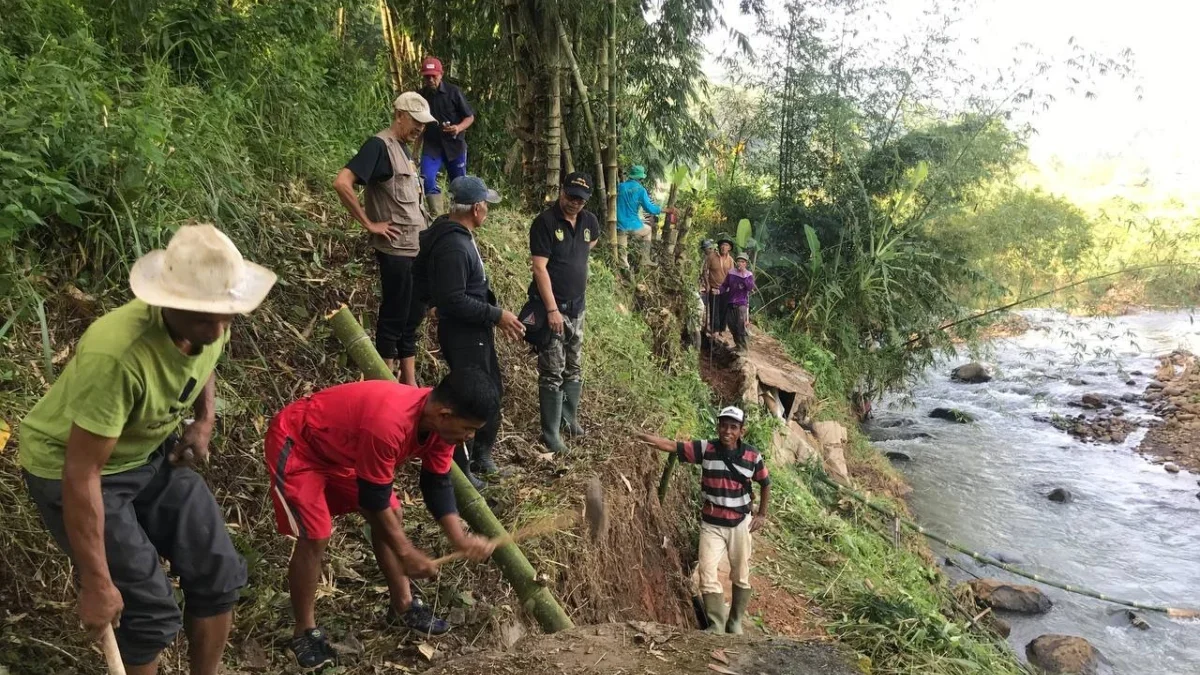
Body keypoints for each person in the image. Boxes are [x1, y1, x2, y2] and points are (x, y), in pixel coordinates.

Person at [20, 224, 277, 674]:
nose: (218, 330)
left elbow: (205, 359)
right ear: (167, 302)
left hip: (148, 455)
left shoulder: (212, 318)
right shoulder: (118, 355)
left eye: (226, 316)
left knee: (218, 573)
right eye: (204, 318)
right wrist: (98, 583)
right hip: (72, 468)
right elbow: (82, 473)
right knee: (148, 612)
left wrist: (204, 419)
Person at [265, 371, 499, 669]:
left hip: (342, 453)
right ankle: (304, 630)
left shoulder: (442, 426)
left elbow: (436, 482)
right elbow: (372, 500)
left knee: (395, 513)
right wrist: (406, 553)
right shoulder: (389, 423)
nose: (469, 437)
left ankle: (402, 605)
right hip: (299, 444)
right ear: (444, 414)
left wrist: (460, 539)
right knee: (316, 533)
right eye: (468, 429)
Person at [412, 176, 525, 487]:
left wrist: (433, 302)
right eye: (486, 205)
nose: (487, 210)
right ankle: (463, 472)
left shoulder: (450, 233)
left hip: (471, 330)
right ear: (476, 208)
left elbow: (423, 276)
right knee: (470, 400)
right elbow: (455, 297)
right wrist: (496, 314)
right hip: (464, 334)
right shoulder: (454, 245)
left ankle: (480, 458)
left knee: (490, 392)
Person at [637, 406, 769, 635]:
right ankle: (716, 624)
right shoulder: (706, 448)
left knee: (740, 572)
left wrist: (762, 515)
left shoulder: (752, 456)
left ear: (741, 431)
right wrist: (638, 436)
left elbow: (765, 483)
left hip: (740, 522)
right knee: (707, 572)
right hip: (712, 523)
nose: (727, 431)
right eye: (723, 425)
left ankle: (735, 622)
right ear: (718, 426)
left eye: (733, 427)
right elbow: (671, 446)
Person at [333, 91, 435, 386]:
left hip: (414, 247)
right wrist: (369, 223)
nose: (419, 128)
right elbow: (342, 182)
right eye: (415, 121)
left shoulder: (404, 150)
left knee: (410, 316)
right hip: (396, 249)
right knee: (394, 315)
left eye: (424, 124)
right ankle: (382, 384)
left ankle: (408, 383)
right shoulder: (379, 146)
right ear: (399, 115)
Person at [528, 172, 601, 454]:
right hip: (553, 310)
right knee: (552, 371)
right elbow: (539, 268)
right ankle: (551, 431)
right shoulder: (545, 223)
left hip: (577, 308)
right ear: (561, 191)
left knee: (574, 365)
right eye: (570, 197)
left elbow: (588, 247)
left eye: (580, 200)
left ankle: (569, 419)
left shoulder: (589, 223)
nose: (574, 203)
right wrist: (551, 309)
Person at [416, 56, 475, 216]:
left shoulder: (453, 92)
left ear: (441, 74)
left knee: (459, 186)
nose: (430, 79)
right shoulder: (421, 96)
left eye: (433, 76)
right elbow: (419, 125)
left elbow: (469, 117)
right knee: (426, 178)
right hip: (432, 146)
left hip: (455, 147)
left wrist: (458, 128)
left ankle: (459, 219)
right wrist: (414, 152)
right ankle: (438, 216)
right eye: (427, 76)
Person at [615, 165, 672, 268]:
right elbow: (650, 208)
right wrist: (666, 210)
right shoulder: (640, 190)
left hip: (618, 224)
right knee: (648, 230)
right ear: (641, 178)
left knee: (622, 259)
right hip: (633, 225)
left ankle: (624, 272)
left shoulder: (620, 187)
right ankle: (644, 259)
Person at [720, 253, 756, 351]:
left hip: (741, 303)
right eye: (739, 261)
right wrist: (719, 290)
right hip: (731, 301)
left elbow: (750, 287)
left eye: (743, 262)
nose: (740, 263)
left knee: (741, 326)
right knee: (731, 325)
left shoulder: (748, 275)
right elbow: (725, 285)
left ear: (746, 264)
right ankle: (738, 345)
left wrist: (743, 275)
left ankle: (744, 348)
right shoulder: (731, 273)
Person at [702, 237, 735, 334]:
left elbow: (732, 275)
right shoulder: (712, 256)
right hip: (713, 287)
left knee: (723, 309)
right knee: (714, 309)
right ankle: (714, 329)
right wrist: (707, 284)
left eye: (726, 245)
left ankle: (721, 329)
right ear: (720, 246)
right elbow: (704, 271)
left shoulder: (730, 260)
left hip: (725, 289)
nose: (724, 247)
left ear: (729, 248)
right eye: (723, 245)